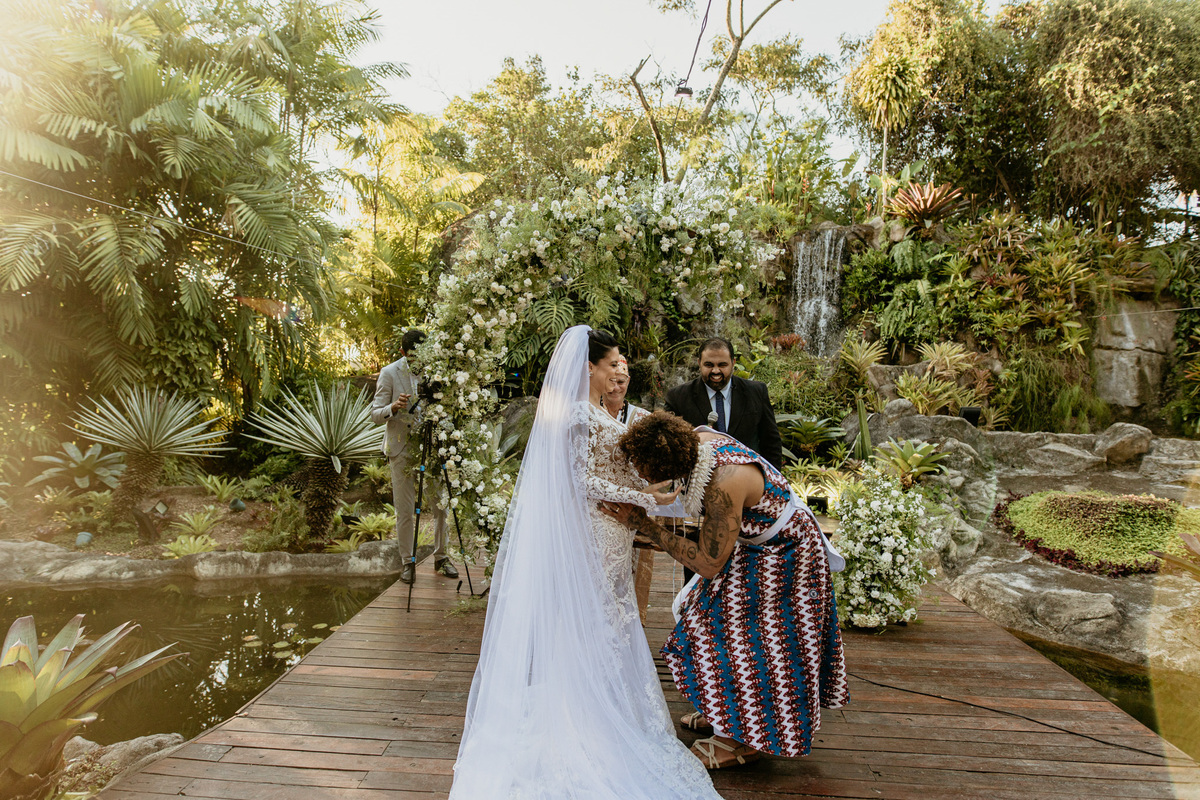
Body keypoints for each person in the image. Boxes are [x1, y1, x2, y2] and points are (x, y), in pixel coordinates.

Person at [448, 326, 721, 800]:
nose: (621, 370)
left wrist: (653, 490)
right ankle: (586, 721)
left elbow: (610, 467)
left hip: (615, 534)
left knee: (613, 622)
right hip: (597, 534)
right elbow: (581, 481)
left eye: (621, 363)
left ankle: (606, 710)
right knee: (595, 621)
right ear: (587, 368)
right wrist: (642, 497)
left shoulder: (598, 411)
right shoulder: (576, 414)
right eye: (613, 363)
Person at [601, 412, 848, 770]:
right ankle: (727, 711)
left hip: (787, 555)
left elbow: (706, 563)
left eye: (647, 473)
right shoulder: (698, 439)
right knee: (703, 615)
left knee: (748, 637)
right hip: (752, 546)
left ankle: (742, 741)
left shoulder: (724, 483)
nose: (644, 479)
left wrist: (643, 524)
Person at [370, 329, 458, 585]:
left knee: (440, 505)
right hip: (401, 447)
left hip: (432, 448)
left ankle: (441, 557)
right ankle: (407, 562)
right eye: (411, 356)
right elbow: (375, 414)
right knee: (405, 510)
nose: (417, 361)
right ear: (402, 353)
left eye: (421, 356)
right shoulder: (389, 373)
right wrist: (393, 408)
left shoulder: (436, 370)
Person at [664, 337, 783, 470]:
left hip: (749, 480)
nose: (716, 371)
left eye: (722, 365)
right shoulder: (678, 397)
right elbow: (668, 446)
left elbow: (771, 443)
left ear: (733, 363)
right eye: (709, 365)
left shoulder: (756, 392)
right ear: (699, 363)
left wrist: (772, 483)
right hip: (697, 483)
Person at [605, 355, 649, 426]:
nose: (615, 388)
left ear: (628, 381)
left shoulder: (643, 418)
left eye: (621, 382)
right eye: (611, 381)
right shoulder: (589, 413)